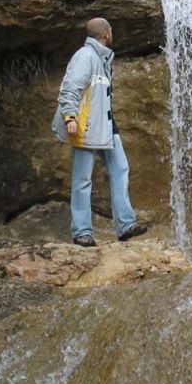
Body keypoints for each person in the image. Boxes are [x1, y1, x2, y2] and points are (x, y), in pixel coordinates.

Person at [52, 17, 148, 247]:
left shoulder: (102, 58)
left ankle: (125, 225)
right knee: (83, 178)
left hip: (105, 125)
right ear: (106, 33)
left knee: (120, 168)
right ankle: (81, 231)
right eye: (111, 30)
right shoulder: (85, 56)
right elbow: (70, 88)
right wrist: (70, 118)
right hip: (85, 126)